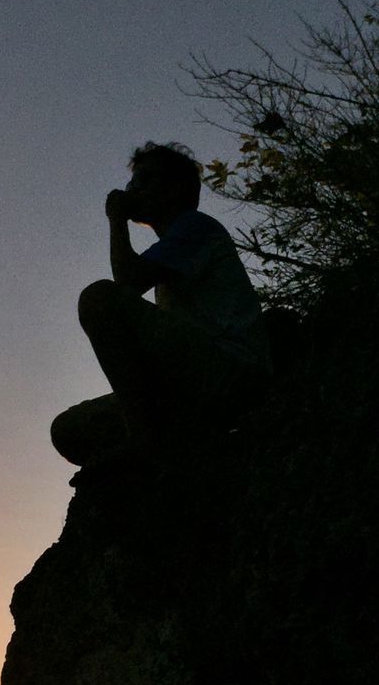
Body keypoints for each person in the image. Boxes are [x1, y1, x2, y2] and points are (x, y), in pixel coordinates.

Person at [50, 141, 270, 466]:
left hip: (231, 374)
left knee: (99, 299)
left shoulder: (196, 227)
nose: (133, 190)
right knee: (68, 430)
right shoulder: (169, 249)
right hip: (191, 380)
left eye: (144, 181)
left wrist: (117, 220)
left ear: (176, 188)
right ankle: (176, 432)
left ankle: (147, 442)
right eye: (131, 183)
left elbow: (125, 283)